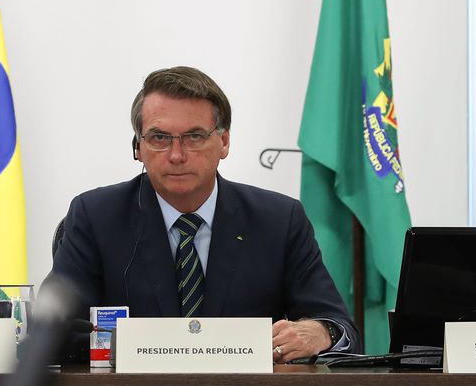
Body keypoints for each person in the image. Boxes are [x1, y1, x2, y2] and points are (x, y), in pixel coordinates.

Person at [51, 66, 361, 362]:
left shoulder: (279, 221)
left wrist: (322, 333)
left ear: (224, 141)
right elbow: (52, 332)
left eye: (194, 137)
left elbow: (340, 328)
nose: (177, 155)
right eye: (159, 138)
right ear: (138, 148)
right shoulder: (96, 217)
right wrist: (136, 348)